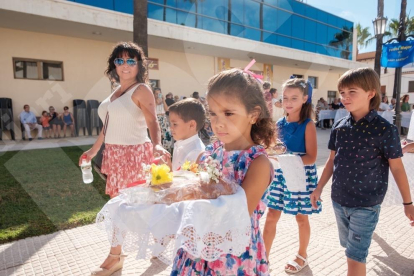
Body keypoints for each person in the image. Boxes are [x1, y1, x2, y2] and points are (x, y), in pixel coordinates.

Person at [170, 68, 276, 275]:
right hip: (197, 248)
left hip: (232, 256)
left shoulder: (257, 163)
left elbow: (237, 215)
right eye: (213, 113)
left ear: (253, 115)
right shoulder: (210, 152)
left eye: (228, 113)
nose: (218, 122)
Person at [310, 67, 414, 276]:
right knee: (348, 248)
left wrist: (408, 203)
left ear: (371, 93)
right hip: (338, 200)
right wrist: (318, 188)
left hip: (366, 205)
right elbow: (331, 161)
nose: (345, 97)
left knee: (355, 257)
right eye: (342, 93)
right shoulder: (339, 126)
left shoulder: (385, 129)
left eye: (352, 91)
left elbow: (397, 167)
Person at [263, 78, 320, 273]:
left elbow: (311, 158)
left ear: (305, 98)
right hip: (280, 175)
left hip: (300, 176)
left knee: (301, 218)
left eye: (294, 98)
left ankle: (302, 255)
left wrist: (286, 159)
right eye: (285, 97)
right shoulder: (279, 122)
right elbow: (276, 149)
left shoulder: (308, 125)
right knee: (271, 216)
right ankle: (263, 259)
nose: (288, 102)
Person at [168, 98, 206, 171]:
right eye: (171, 124)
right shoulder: (180, 143)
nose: (171, 128)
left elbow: (187, 181)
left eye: (175, 124)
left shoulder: (195, 152)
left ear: (191, 125)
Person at [154, 87, 174, 153]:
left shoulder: (163, 101)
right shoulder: (152, 101)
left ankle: (167, 151)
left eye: (159, 93)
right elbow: (152, 110)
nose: (157, 95)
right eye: (156, 94)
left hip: (163, 118)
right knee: (157, 136)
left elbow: (167, 109)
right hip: (156, 119)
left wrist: (163, 100)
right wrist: (156, 102)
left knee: (167, 135)